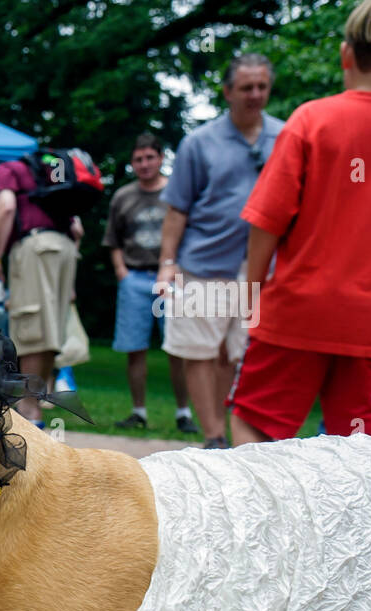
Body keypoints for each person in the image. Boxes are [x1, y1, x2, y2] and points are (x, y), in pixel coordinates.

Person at [229, 0, 371, 445]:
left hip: (295, 312)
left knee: (256, 424)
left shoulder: (312, 119)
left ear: (347, 55)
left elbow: (266, 222)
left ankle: (267, 516)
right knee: (364, 452)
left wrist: (253, 291)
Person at [156, 53, 283, 449]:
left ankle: (224, 432)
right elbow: (177, 209)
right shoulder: (199, 142)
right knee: (198, 351)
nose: (255, 94)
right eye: (246, 87)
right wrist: (167, 264)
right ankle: (213, 436)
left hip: (260, 267)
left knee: (234, 352)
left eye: (262, 86)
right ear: (228, 92)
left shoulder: (284, 136)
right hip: (203, 265)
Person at [103, 133, 196, 434]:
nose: (144, 164)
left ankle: (184, 413)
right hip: (135, 276)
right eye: (138, 159)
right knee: (135, 348)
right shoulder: (123, 197)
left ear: (160, 158)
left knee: (178, 347)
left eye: (150, 157)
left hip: (171, 277)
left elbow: (189, 234)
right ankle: (138, 412)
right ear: (132, 163)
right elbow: (113, 240)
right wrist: (121, 272)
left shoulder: (175, 192)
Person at [0, 151, 83, 425]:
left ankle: (28, 410)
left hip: (35, 247)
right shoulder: (51, 171)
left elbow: (5, 208)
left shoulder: (8, 169)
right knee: (51, 327)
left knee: (31, 325)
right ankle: (35, 402)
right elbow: (78, 228)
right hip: (64, 249)